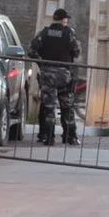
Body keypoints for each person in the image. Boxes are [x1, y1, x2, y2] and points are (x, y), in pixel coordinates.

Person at [29, 8, 82, 145]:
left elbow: (32, 50)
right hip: (64, 75)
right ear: (64, 19)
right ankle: (70, 136)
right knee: (67, 106)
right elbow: (76, 51)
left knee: (48, 106)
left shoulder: (44, 33)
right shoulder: (68, 33)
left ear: (54, 18)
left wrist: (42, 64)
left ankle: (48, 136)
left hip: (47, 74)